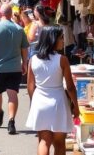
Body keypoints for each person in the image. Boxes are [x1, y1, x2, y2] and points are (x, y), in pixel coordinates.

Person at [26, 25, 79, 155]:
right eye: (61, 38)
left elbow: (30, 86)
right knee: (60, 143)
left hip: (39, 101)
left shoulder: (33, 60)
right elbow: (70, 87)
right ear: (53, 40)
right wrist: (75, 106)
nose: (63, 41)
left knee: (44, 141)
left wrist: (34, 102)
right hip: (58, 102)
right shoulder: (62, 60)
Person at [0, 3, 29, 135]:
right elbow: (25, 48)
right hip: (15, 68)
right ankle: (11, 120)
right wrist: (24, 63)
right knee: (12, 95)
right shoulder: (19, 29)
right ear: (10, 14)